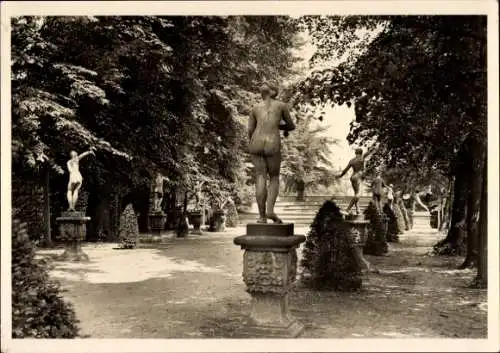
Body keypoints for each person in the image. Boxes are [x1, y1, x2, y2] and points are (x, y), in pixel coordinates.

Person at [248, 84, 295, 223]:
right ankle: (270, 211)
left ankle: (262, 217)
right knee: (274, 177)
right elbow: (291, 126)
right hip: (272, 142)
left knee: (260, 177)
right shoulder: (281, 105)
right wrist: (279, 126)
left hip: (255, 142)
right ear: (274, 92)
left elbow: (250, 130)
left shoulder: (255, 108)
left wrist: (252, 143)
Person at [335, 148, 374, 214]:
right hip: (359, 176)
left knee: (356, 194)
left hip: (353, 177)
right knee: (359, 194)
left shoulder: (351, 160)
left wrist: (340, 176)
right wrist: (371, 149)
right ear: (361, 153)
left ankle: (358, 210)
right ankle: (347, 209)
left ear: (355, 153)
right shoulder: (362, 157)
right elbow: (368, 153)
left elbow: (345, 170)